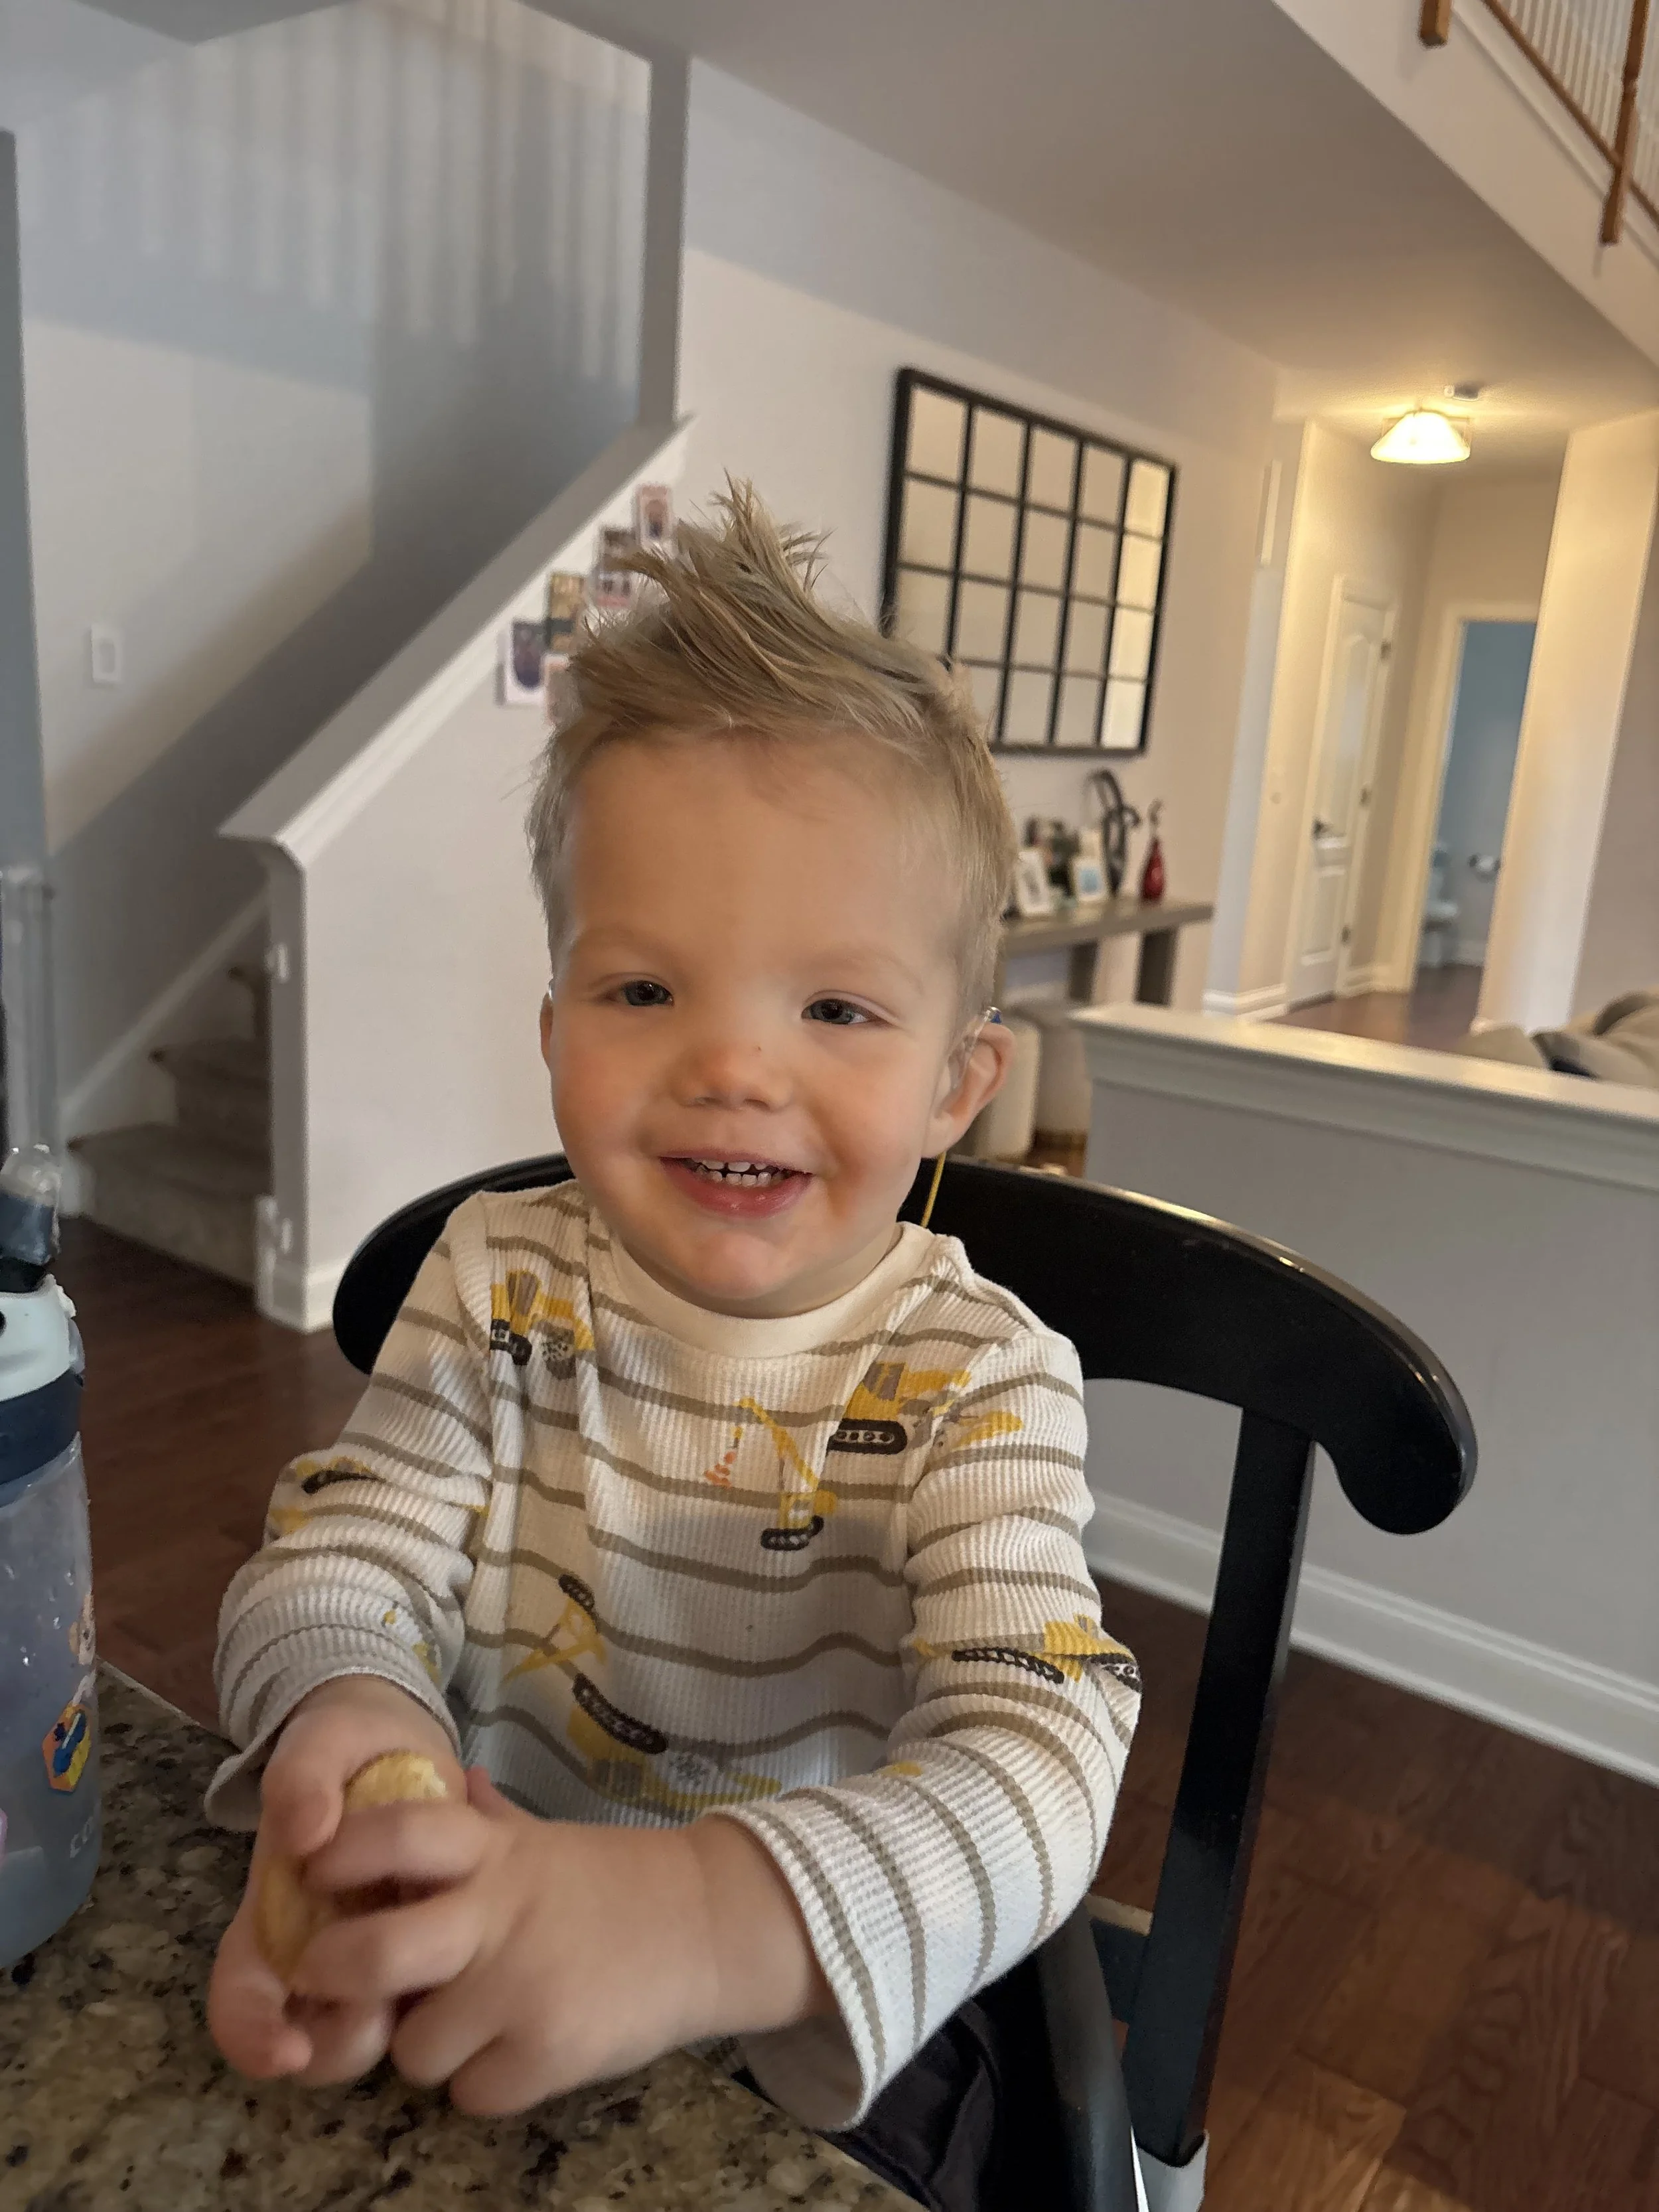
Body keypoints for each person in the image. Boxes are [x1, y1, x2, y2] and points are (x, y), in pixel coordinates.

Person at [206, 483, 1140, 2211]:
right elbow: (341, 1549)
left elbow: (1041, 1754)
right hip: (477, 1933)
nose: (731, 1063)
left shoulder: (977, 1375)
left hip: (820, 1999)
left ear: (957, 1086)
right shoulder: (498, 1279)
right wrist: (345, 1725)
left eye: (836, 1007)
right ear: (553, 1024)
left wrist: (712, 1915)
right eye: (644, 991)